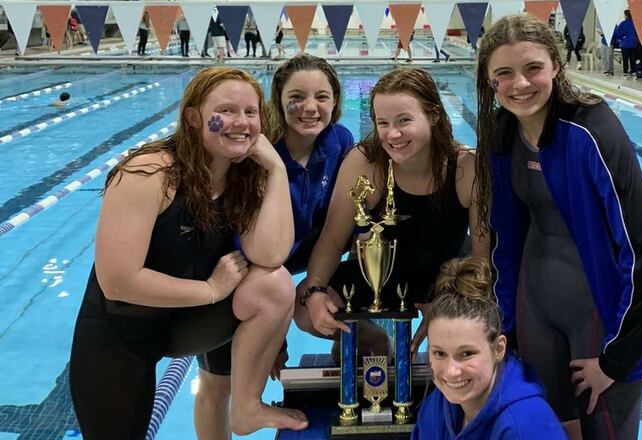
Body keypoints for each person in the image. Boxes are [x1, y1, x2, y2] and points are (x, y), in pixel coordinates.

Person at [68, 67, 308, 440]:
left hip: (186, 324)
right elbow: (117, 282)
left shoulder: (244, 175)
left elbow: (272, 254)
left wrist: (276, 169)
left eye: (250, 112)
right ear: (194, 117)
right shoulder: (150, 172)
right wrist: (211, 291)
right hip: (119, 333)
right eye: (226, 111)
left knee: (273, 283)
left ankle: (247, 408)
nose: (241, 123)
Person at [474, 14, 642, 440]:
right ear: (490, 82)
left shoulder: (592, 131)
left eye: (533, 68)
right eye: (504, 74)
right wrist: (504, 322)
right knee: (545, 432)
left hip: (600, 319)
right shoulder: (502, 134)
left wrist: (616, 360)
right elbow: (503, 239)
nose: (521, 84)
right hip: (535, 312)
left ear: (556, 66)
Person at [194, 54, 354, 439]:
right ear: (278, 101)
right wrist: (273, 336)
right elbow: (250, 250)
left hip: (291, 269)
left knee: (354, 327)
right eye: (296, 96)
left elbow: (339, 227)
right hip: (236, 269)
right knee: (218, 383)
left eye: (322, 97)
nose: (310, 108)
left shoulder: (340, 142)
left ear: (335, 101)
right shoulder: (254, 152)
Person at [293, 68, 488, 361]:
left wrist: (450, 300)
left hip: (447, 278)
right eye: (382, 123)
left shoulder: (465, 168)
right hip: (380, 274)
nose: (392, 134)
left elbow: (481, 262)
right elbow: (332, 241)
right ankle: (372, 338)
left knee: (467, 322)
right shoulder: (365, 162)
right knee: (303, 306)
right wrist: (317, 292)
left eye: (404, 120)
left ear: (434, 116)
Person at [412, 257, 567, 439]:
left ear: (498, 349)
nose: (452, 371)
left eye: (467, 353)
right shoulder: (436, 406)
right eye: (439, 353)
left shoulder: (524, 426)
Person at [614, 10, 638, 77]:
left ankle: (625, 72)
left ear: (626, 15)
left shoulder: (623, 23)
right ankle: (634, 72)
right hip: (633, 44)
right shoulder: (635, 23)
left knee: (625, 59)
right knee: (633, 59)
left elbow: (618, 33)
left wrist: (621, 38)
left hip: (625, 44)